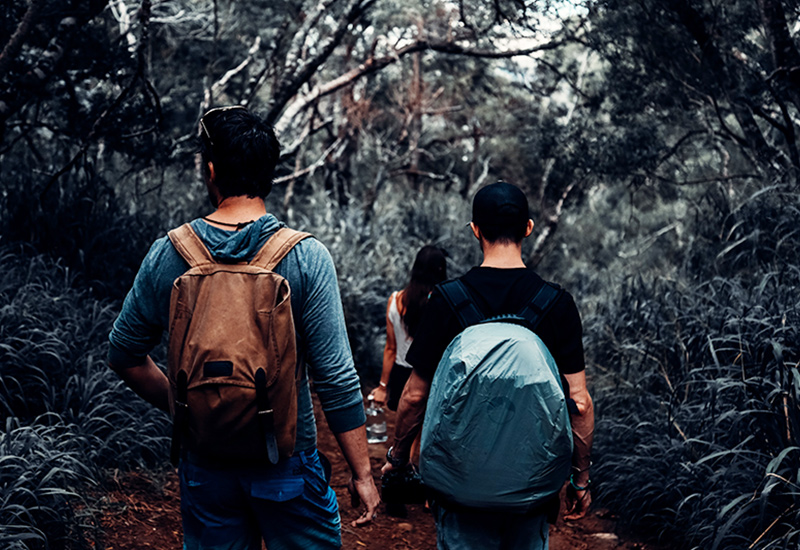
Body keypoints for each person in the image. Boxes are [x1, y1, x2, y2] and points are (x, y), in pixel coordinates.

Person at [108, 105, 380, 550]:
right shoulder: (306, 257)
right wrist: (362, 474)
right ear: (270, 173)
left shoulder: (169, 253)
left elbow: (123, 354)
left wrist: (185, 410)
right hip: (288, 460)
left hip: (205, 464)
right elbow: (336, 377)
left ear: (210, 171)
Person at [382, 181, 595, 549]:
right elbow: (580, 404)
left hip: (460, 484)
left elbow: (415, 397)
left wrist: (397, 461)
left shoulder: (447, 301)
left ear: (475, 230)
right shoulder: (557, 303)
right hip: (531, 488)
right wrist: (580, 479)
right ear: (528, 228)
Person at [369, 245, 447, 414]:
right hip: (430, 376)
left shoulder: (395, 300)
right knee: (421, 435)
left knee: (404, 430)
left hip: (401, 376)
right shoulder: (441, 305)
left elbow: (390, 348)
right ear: (441, 269)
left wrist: (383, 387)